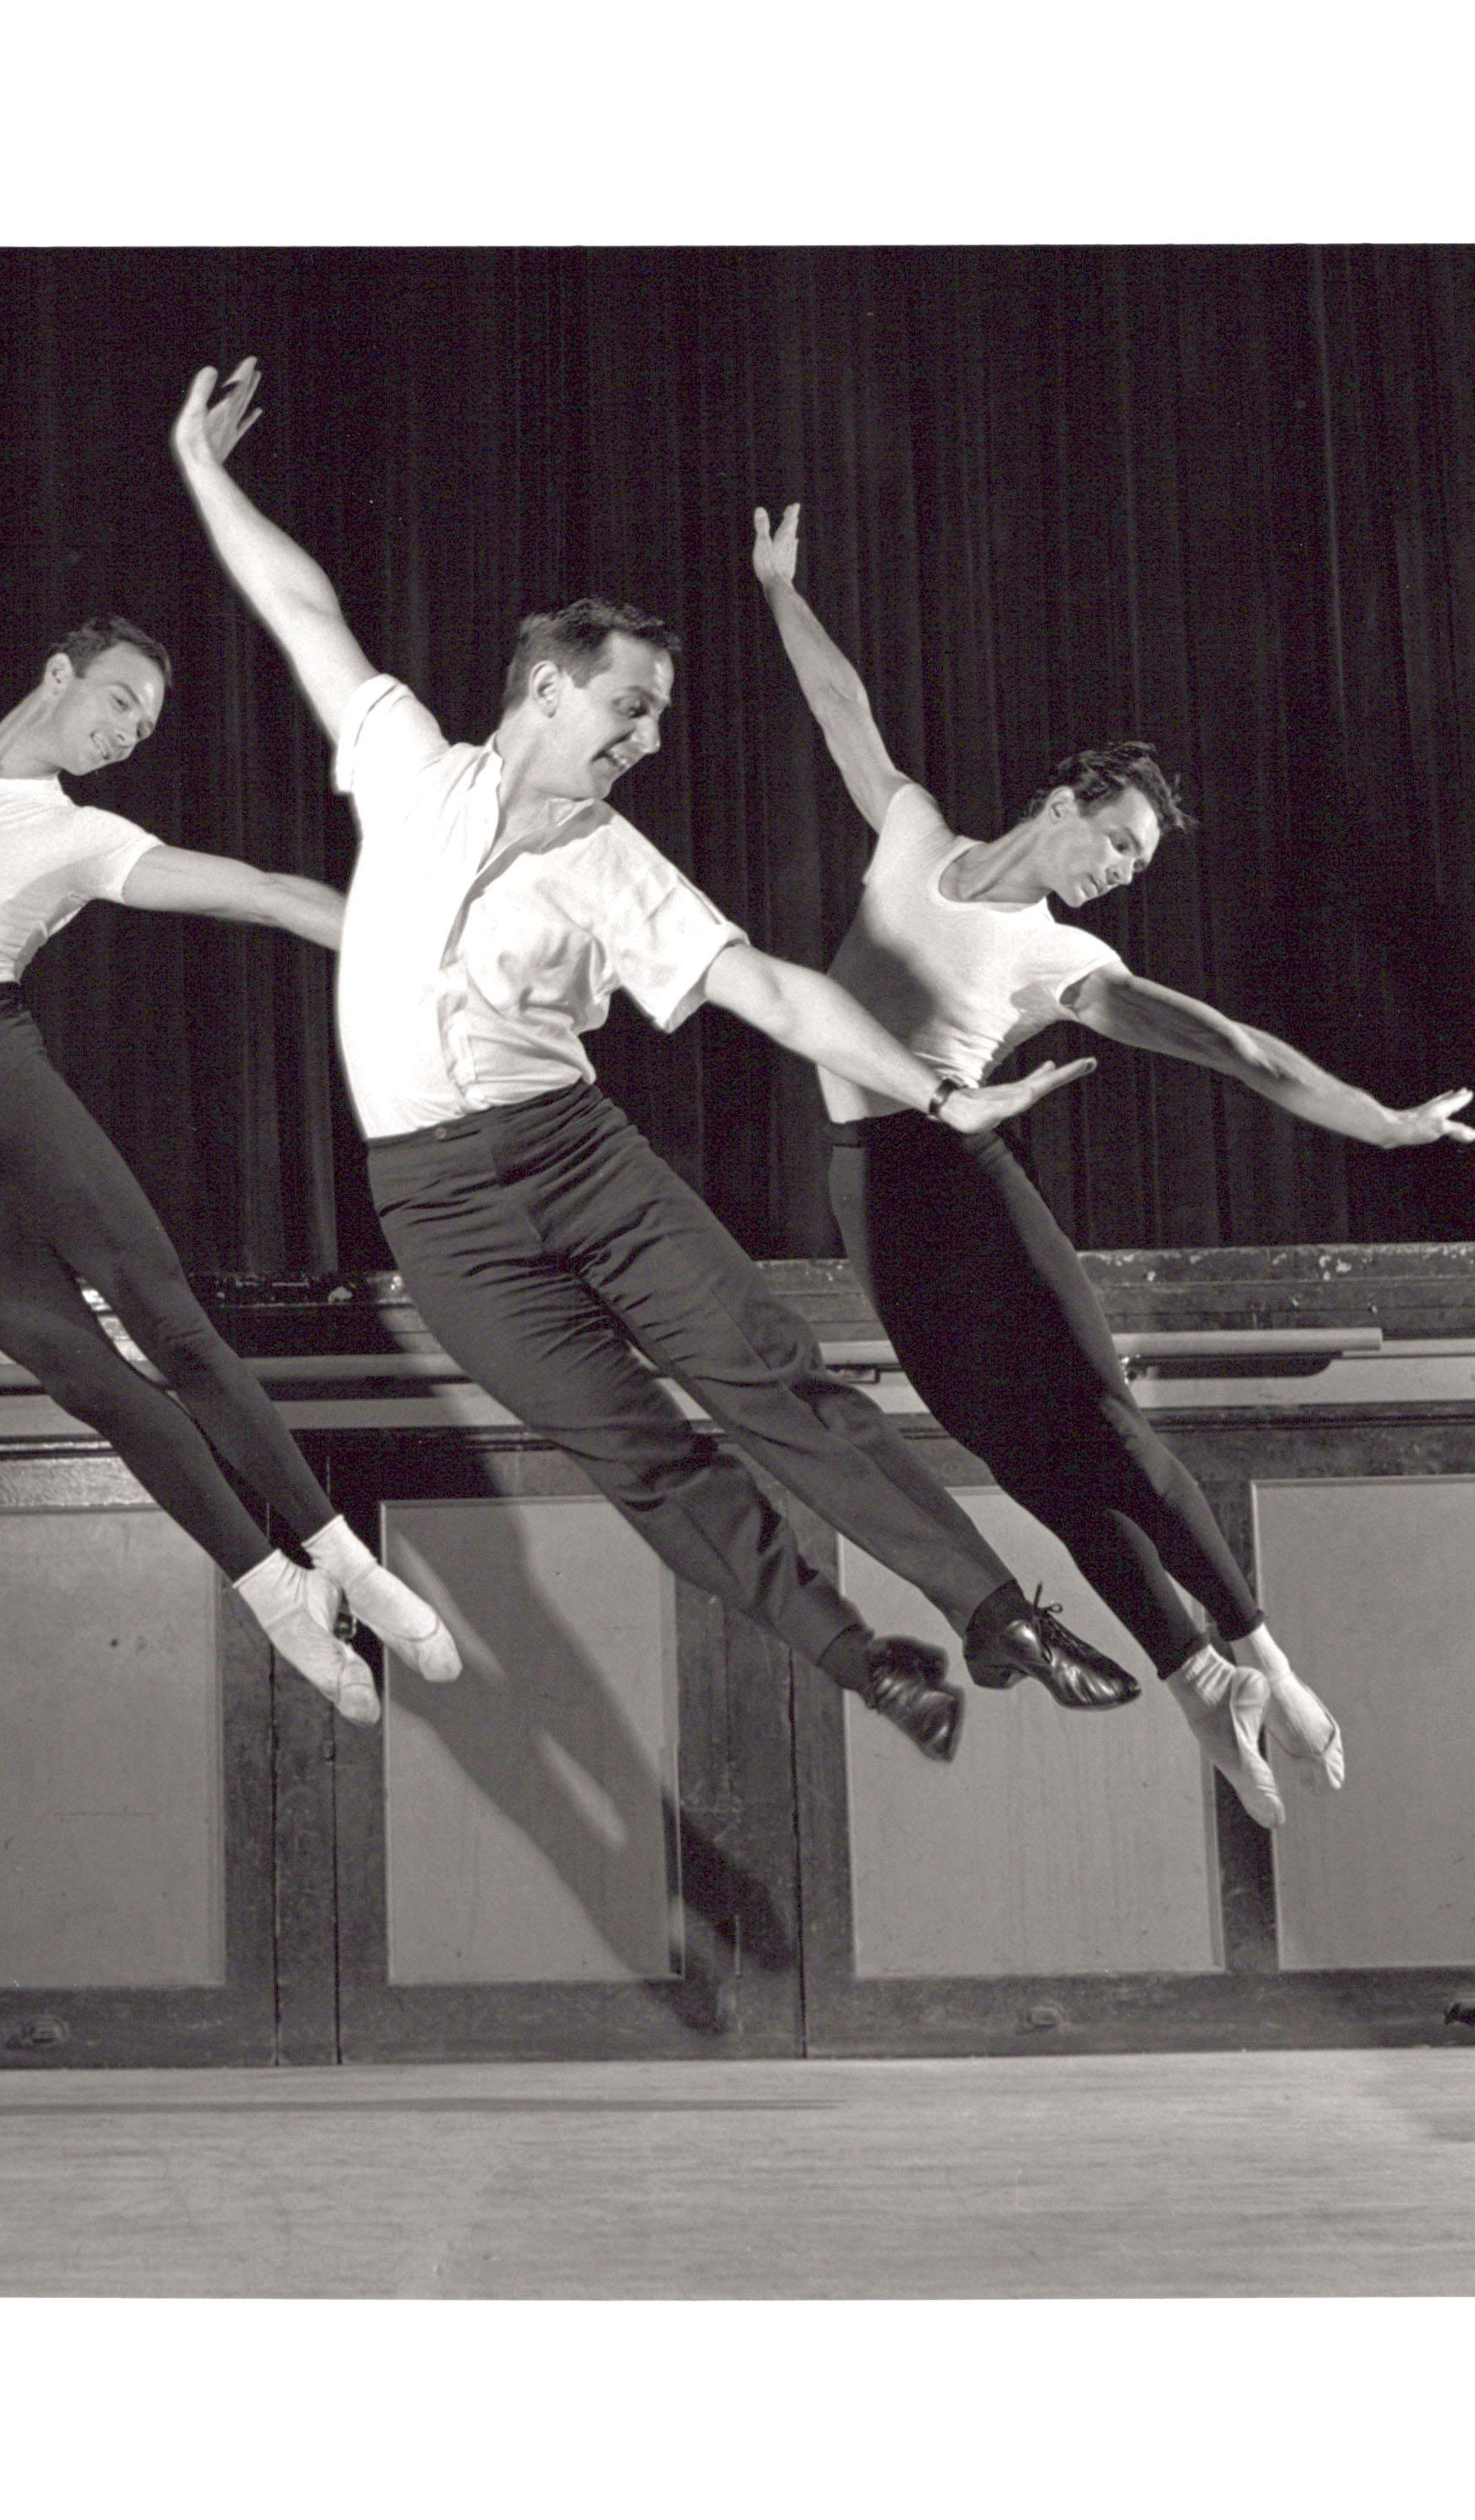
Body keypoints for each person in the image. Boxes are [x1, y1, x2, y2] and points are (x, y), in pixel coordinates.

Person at [170, 357, 1147, 1766]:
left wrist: (940, 1090)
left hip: (578, 1160)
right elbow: (302, 606)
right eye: (631, 707)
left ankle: (999, 1614)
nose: (650, 736)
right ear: (550, 690)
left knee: (775, 1382)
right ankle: (865, 1661)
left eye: (660, 714)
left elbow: (767, 988)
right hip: (440, 1215)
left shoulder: (617, 864)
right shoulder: (405, 766)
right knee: (635, 1453)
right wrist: (205, 473)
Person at [751, 501, 1475, 1825]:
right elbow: (840, 707)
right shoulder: (912, 837)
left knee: (1107, 1428)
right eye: (1120, 846)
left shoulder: (1065, 961)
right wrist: (776, 585)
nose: (1122, 878)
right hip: (872, 1194)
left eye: (1140, 866)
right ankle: (1201, 1682)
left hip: (966, 1183)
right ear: (1061, 802)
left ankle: (1274, 1666)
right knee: (1034, 1466)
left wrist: (1380, 1121)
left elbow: (1238, 1049)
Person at [0, 331, 460, 1726]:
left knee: (169, 1322)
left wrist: (420, 941)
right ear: (57, 673)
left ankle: (349, 1561)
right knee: (74, 1370)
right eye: (118, 705)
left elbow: (268, 894)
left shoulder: (86, 838)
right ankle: (278, 1595)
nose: (127, 736)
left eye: (146, 727)